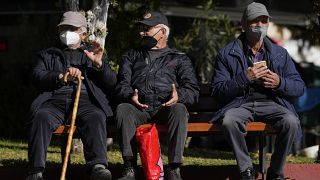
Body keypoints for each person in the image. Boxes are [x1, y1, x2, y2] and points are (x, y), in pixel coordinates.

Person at [210, 2, 305, 180]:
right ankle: (246, 170)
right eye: (255, 21)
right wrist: (244, 78)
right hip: (240, 103)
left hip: (272, 103)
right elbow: (217, 91)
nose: (260, 25)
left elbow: (299, 87)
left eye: (264, 21)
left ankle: (275, 172)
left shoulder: (280, 53)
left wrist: (279, 82)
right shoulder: (226, 53)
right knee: (229, 121)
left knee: (291, 122)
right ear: (244, 24)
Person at [26, 11, 116, 180]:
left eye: (72, 28)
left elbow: (111, 83)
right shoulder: (48, 53)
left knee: (96, 116)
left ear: (83, 33)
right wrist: (60, 76)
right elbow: (36, 75)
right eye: (64, 28)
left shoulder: (93, 53)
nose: (67, 32)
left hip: (85, 101)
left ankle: (98, 167)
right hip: (54, 101)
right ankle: (36, 171)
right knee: (41, 116)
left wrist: (99, 65)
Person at [115, 11, 199, 180]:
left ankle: (174, 168)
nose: (141, 33)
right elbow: (122, 85)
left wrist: (179, 96)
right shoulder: (131, 56)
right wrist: (131, 95)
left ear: (162, 32)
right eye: (141, 28)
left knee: (180, 109)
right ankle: (129, 167)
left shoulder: (179, 59)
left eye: (147, 28)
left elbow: (193, 91)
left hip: (165, 109)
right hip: (140, 109)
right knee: (123, 108)